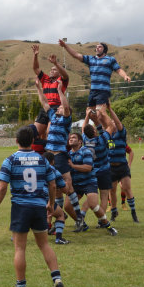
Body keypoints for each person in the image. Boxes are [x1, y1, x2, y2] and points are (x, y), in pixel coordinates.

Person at [0, 126, 64, 287]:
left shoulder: (10, 160)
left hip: (20, 207)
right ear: (33, 141)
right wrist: (51, 204)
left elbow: (2, 187)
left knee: (20, 248)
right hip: (39, 206)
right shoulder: (42, 160)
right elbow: (52, 184)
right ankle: (57, 279)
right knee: (44, 244)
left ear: (16, 141)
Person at [36, 79, 84, 228]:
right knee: (53, 188)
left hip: (60, 155)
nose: (59, 108)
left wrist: (59, 91)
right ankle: (59, 215)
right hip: (48, 156)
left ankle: (79, 217)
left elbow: (67, 107)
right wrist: (38, 88)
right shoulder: (53, 116)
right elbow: (44, 103)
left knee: (67, 187)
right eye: (59, 108)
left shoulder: (66, 120)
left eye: (61, 108)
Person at [58, 39, 130, 110]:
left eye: (100, 47)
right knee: (90, 113)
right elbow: (76, 55)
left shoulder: (110, 59)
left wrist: (125, 76)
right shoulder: (91, 59)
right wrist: (65, 46)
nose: (97, 48)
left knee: (100, 112)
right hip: (93, 91)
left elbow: (119, 70)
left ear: (104, 50)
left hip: (103, 90)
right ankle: (101, 122)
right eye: (96, 47)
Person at [68, 132, 117, 236]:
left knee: (94, 205)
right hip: (76, 185)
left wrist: (73, 166)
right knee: (67, 206)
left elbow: (88, 167)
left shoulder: (85, 151)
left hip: (88, 182)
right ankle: (83, 225)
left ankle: (108, 225)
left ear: (80, 142)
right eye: (70, 138)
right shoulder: (68, 154)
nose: (70, 139)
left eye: (73, 137)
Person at [96, 105, 139, 223]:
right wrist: (99, 110)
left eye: (114, 122)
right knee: (112, 191)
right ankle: (114, 211)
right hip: (110, 168)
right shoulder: (107, 136)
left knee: (126, 188)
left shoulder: (121, 134)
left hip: (122, 166)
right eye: (112, 122)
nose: (113, 123)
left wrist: (109, 109)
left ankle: (133, 212)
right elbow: (100, 120)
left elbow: (119, 124)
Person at [81, 108, 113, 225]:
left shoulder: (84, 140)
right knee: (104, 196)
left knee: (91, 196)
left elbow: (84, 128)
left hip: (91, 172)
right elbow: (111, 128)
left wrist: (87, 116)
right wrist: (100, 118)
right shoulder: (102, 140)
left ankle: (82, 216)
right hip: (104, 170)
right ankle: (102, 220)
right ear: (95, 132)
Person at [31, 44, 70, 138]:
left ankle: (53, 150)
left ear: (59, 72)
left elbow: (66, 75)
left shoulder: (61, 80)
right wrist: (35, 55)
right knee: (34, 134)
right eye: (51, 69)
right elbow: (36, 68)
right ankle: (40, 151)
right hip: (45, 108)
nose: (51, 71)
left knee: (50, 132)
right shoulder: (45, 79)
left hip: (57, 109)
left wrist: (56, 63)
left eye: (54, 70)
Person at [43, 151, 69, 244]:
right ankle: (58, 238)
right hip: (45, 197)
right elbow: (65, 190)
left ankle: (16, 236)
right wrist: (67, 184)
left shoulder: (36, 168)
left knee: (29, 216)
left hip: (30, 197)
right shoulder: (54, 170)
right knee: (61, 215)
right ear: (53, 161)